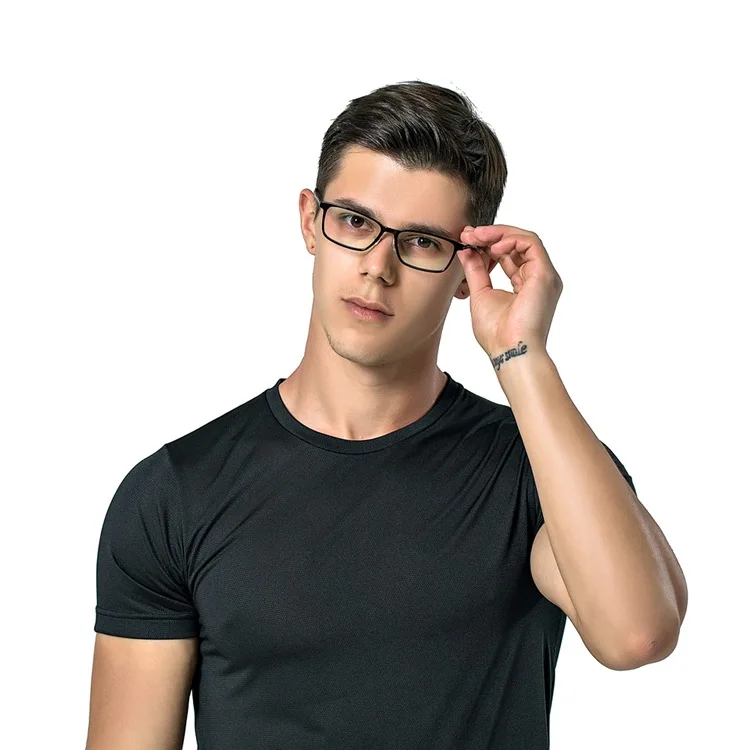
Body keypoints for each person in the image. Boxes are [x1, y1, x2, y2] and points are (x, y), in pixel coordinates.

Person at [86, 80, 687, 749]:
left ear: (468, 270)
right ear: (310, 221)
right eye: (354, 222)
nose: (378, 268)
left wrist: (521, 354)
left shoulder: (536, 470)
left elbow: (637, 633)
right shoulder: (176, 493)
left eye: (422, 242)